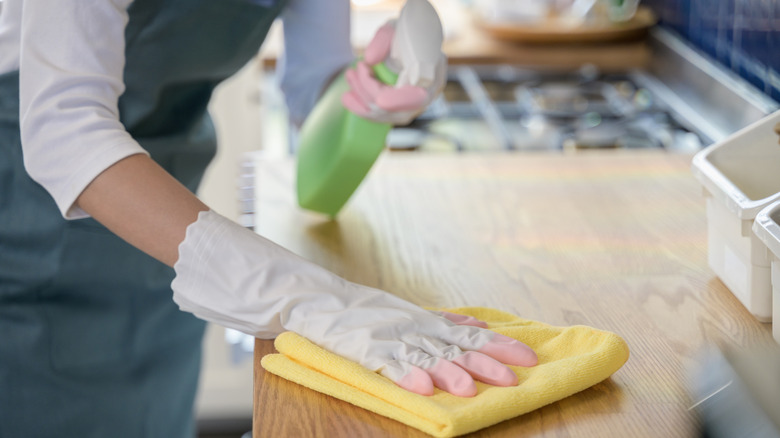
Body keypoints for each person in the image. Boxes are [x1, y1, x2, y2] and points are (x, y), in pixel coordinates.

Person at [0, 0, 538, 436]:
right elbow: (63, 131)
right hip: (27, 227)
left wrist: (374, 92)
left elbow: (313, 97)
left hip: (166, 238)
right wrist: (305, 295)